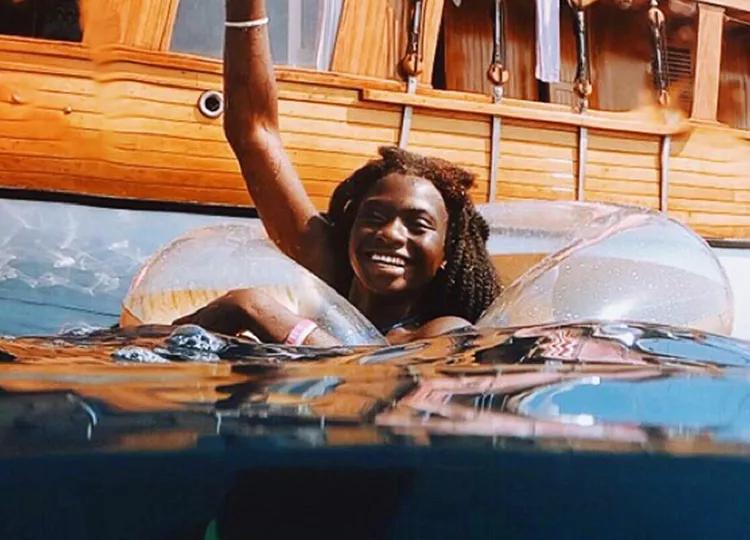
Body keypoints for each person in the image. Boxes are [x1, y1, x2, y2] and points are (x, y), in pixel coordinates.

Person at [175, 0, 501, 346]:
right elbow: (254, 135)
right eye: (374, 216)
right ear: (350, 230)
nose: (390, 233)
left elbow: (371, 379)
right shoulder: (332, 276)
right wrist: (245, 11)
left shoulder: (446, 331)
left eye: (417, 224)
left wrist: (251, 308)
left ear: (445, 253)